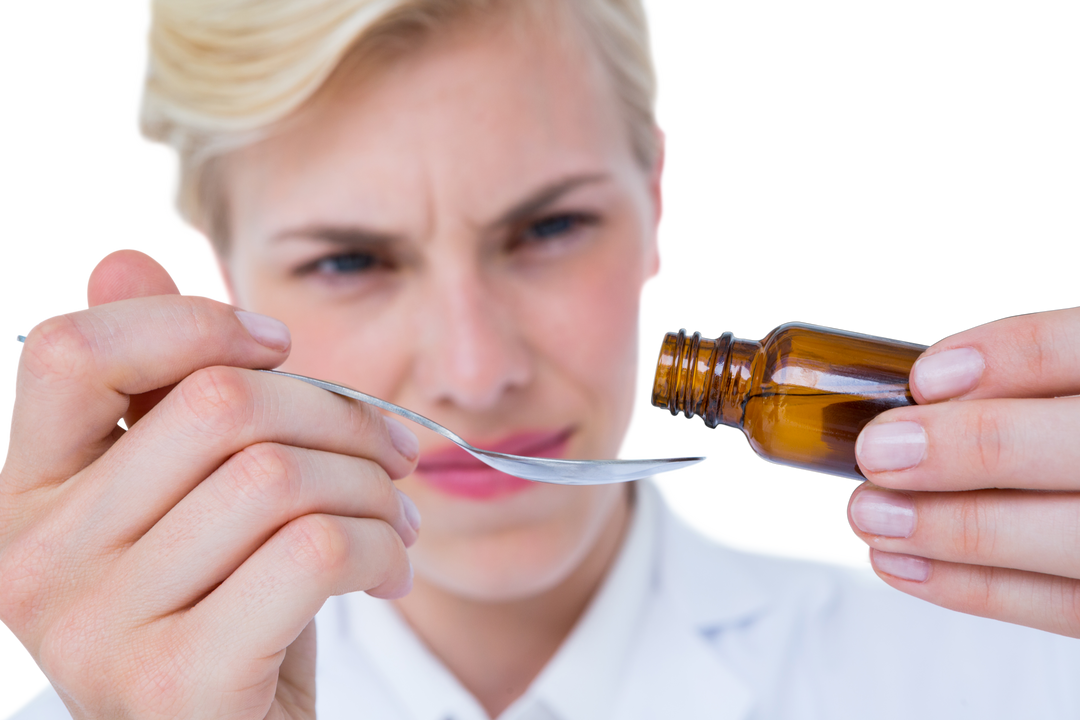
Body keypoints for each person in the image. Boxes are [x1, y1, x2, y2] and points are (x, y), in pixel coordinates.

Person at [2, 0, 1077, 717]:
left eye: (547, 230)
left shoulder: (1006, 675)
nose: (478, 372)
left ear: (656, 195)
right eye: (350, 259)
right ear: (225, 277)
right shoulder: (109, 706)